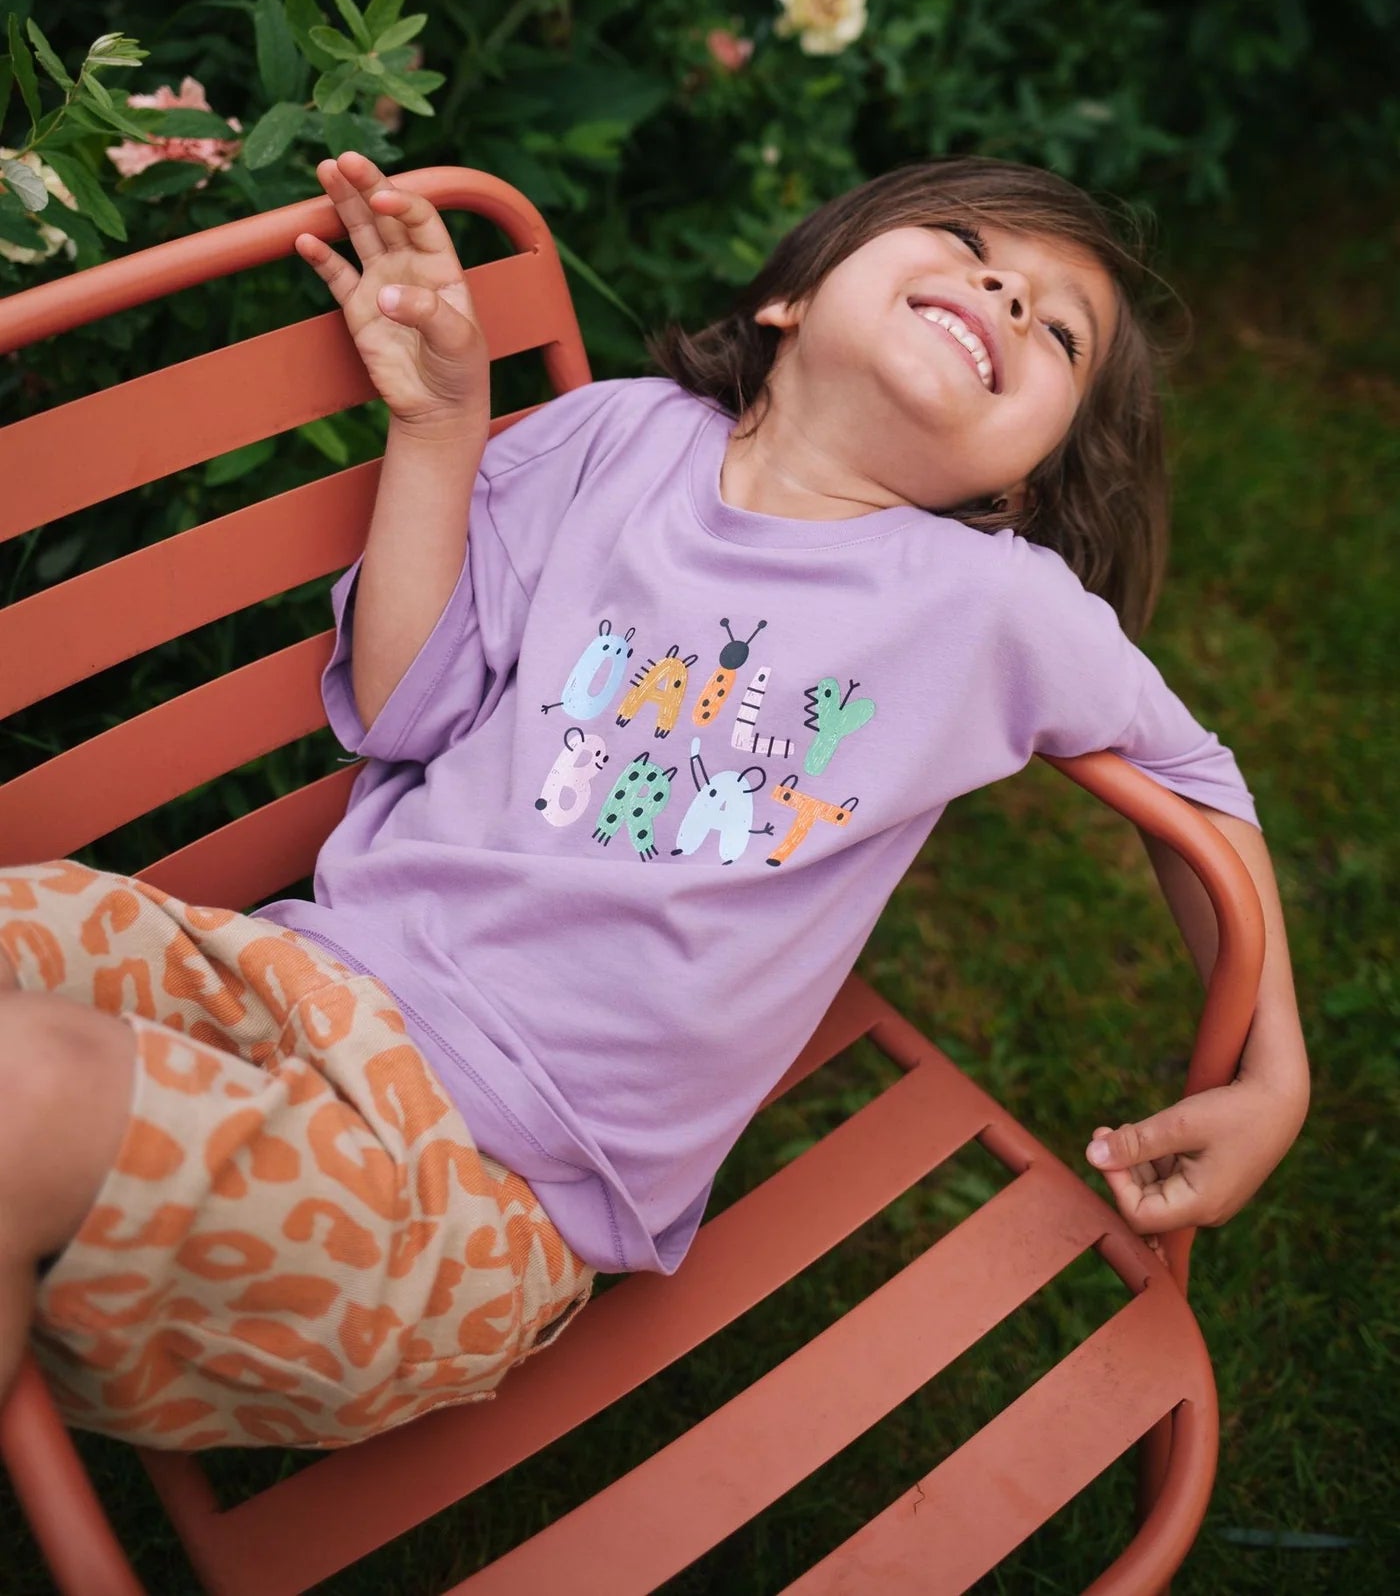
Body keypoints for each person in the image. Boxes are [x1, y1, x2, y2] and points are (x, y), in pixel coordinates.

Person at [0, 150, 1309, 1453]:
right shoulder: (619, 436)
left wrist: (1277, 1075)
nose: (1010, 298)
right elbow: (410, 709)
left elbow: (1193, 785)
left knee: (27, 1091)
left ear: (1016, 486)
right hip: (283, 980)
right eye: (968, 246)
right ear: (792, 300)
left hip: (471, 1199)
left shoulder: (990, 608)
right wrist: (439, 427)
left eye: (1059, 331)